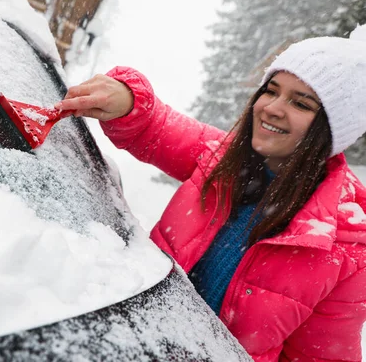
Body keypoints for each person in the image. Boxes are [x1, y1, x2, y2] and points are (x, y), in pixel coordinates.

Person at [56, 26, 366, 361]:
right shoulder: (224, 158)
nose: (272, 108)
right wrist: (128, 99)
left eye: (300, 103)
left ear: (333, 131)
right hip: (125, 340)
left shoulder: (348, 246)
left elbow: (320, 356)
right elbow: (155, 127)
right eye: (271, 90)